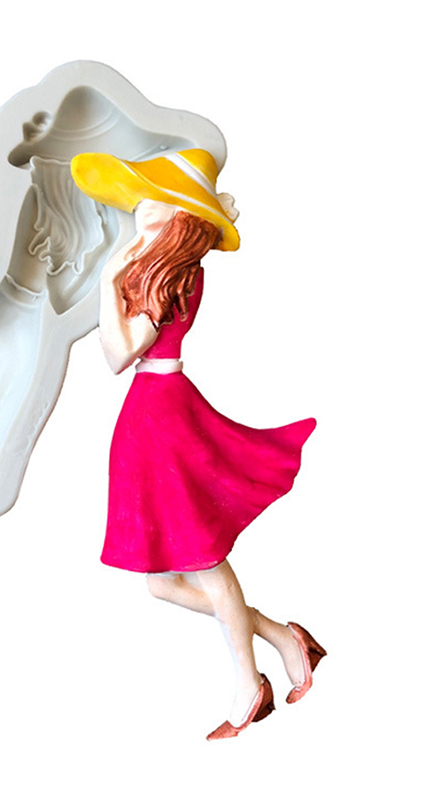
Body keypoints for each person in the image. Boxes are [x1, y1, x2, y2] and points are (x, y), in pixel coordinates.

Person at [70, 148, 326, 740]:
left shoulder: (174, 272)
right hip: (148, 413)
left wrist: (108, 281)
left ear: (181, 212)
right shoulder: (155, 266)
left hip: (162, 412)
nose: (142, 206)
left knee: (204, 558)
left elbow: (117, 354)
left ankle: (248, 685)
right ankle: (282, 636)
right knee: (160, 580)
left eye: (157, 197)